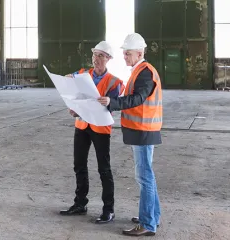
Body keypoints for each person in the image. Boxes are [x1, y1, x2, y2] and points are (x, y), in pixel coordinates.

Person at [97, 33, 163, 237]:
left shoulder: (144, 72)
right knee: (147, 176)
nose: (124, 57)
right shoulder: (138, 70)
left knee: (144, 177)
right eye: (124, 53)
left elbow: (138, 99)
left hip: (144, 131)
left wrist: (112, 103)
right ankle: (153, 216)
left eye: (128, 54)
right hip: (141, 130)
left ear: (140, 53)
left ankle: (147, 223)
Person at [59, 41, 124, 225]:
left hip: (100, 128)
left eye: (101, 55)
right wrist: (73, 107)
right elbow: (67, 85)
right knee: (79, 165)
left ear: (108, 59)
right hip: (82, 125)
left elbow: (116, 103)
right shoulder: (81, 74)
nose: (97, 59)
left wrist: (108, 101)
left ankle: (108, 210)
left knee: (104, 169)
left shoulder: (114, 82)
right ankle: (80, 204)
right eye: (95, 54)